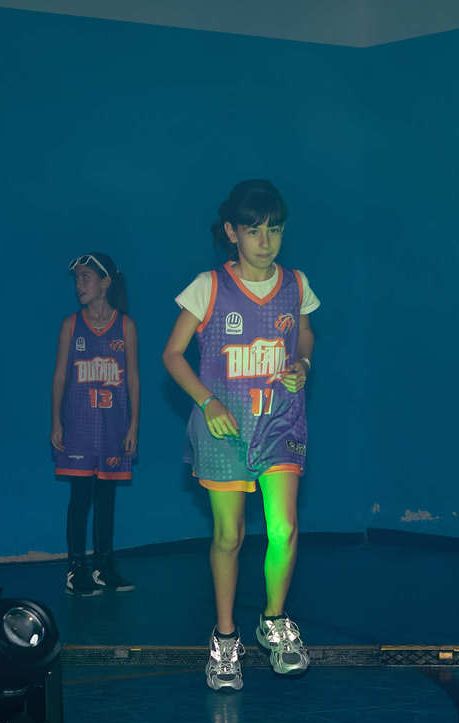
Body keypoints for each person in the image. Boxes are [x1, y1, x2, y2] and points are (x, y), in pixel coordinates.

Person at [163, 180, 320, 691]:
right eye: (254, 231)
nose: (265, 241)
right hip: (225, 428)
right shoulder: (208, 286)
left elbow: (304, 331)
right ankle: (226, 638)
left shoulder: (295, 283)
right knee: (229, 536)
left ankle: (274, 621)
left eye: (275, 229)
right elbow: (172, 355)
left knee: (284, 529)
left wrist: (302, 362)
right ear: (232, 232)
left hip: (279, 422)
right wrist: (206, 401)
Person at [51, 252, 140, 596]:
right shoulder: (71, 325)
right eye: (76, 279)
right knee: (80, 497)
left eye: (85, 277)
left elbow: (133, 378)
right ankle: (76, 569)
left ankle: (104, 566)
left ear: (105, 282)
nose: (79, 285)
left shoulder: (125, 326)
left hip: (113, 425)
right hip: (79, 424)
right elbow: (60, 377)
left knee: (106, 498)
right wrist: (56, 421)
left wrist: (133, 425)